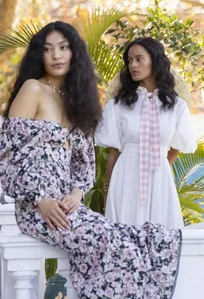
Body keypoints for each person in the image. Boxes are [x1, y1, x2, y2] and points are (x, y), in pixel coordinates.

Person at [0, 21, 181, 299]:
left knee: (134, 238)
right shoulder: (32, 89)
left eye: (63, 48)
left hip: (68, 206)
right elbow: (8, 156)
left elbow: (82, 164)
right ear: (40, 55)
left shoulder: (76, 101)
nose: (56, 56)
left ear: (75, 54)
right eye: (48, 49)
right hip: (38, 209)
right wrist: (40, 200)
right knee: (112, 242)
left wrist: (76, 192)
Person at [95, 37, 197, 228]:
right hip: (125, 175)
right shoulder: (117, 106)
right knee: (124, 233)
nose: (133, 65)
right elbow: (113, 153)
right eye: (129, 61)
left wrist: (157, 168)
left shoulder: (177, 107)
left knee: (162, 235)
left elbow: (175, 149)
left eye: (139, 59)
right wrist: (108, 188)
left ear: (155, 62)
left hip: (160, 178)